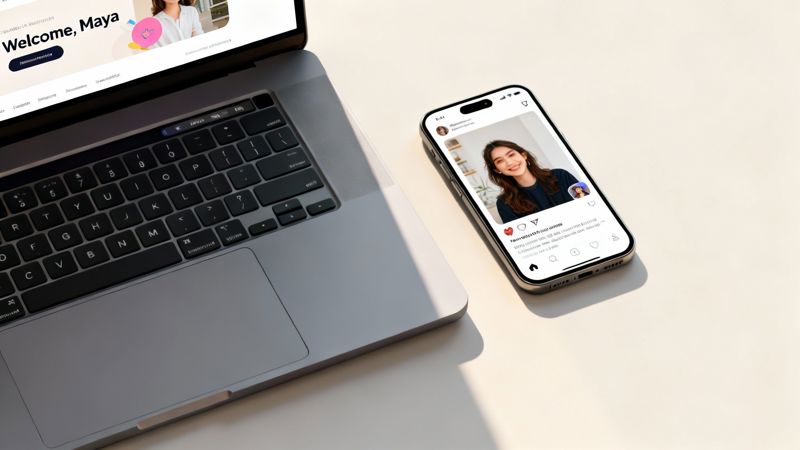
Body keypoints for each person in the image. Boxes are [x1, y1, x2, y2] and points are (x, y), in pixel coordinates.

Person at [482, 140, 579, 223]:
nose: (509, 162)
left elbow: (586, 201)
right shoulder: (504, 204)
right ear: (497, 169)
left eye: (511, 155)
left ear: (524, 155)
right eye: (500, 161)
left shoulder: (561, 175)